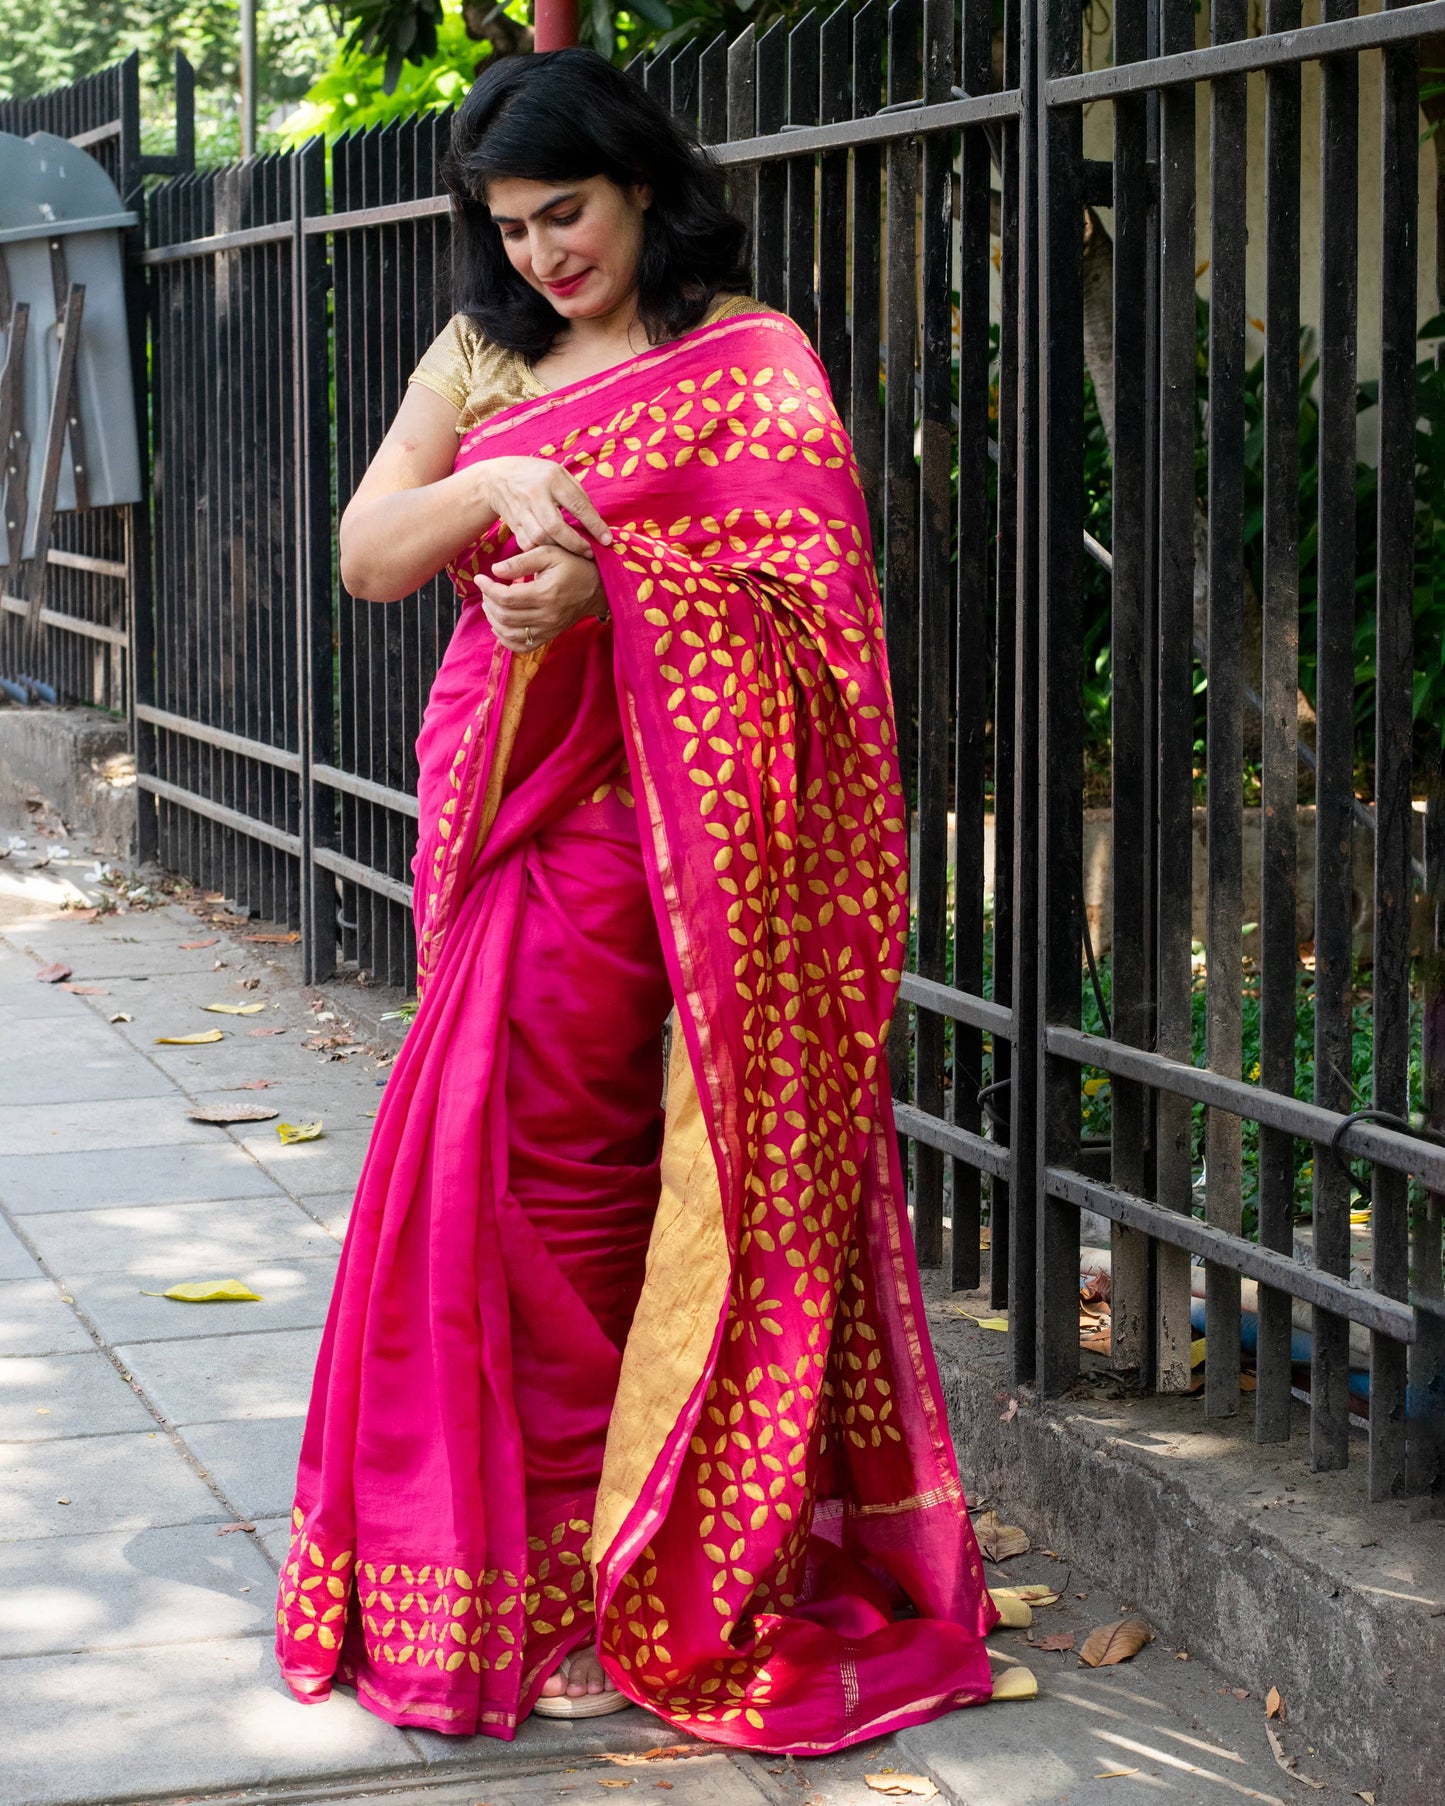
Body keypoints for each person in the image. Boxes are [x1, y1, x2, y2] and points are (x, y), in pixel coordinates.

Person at [275, 45, 1031, 1753]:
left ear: (640, 184)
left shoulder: (745, 361)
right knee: (509, 1192)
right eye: (512, 226)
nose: (546, 254)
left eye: (571, 213)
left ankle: (654, 1546)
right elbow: (369, 548)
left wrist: (614, 583)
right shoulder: (484, 354)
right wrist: (499, 485)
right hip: (514, 820)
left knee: (638, 1197)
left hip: (688, 843)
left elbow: (813, 629)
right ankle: (532, 1567)